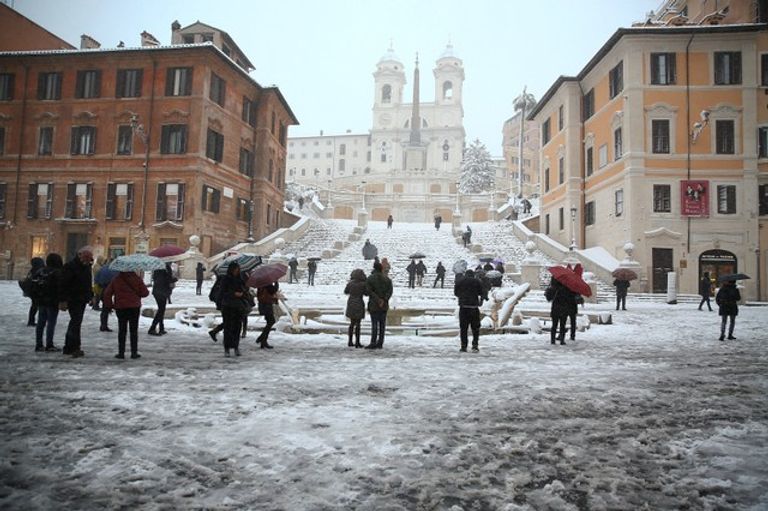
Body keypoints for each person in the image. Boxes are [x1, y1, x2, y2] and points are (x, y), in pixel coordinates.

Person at [102, 269, 149, 359]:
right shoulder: (137, 279)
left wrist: (110, 305)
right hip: (134, 308)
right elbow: (145, 293)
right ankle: (134, 353)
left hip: (121, 308)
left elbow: (107, 293)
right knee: (134, 331)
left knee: (122, 330)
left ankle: (121, 352)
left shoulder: (116, 279)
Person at [59, 247, 94, 357]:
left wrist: (91, 296)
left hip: (82, 299)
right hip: (73, 299)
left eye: (89, 259)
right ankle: (72, 347)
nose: (88, 261)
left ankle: (71, 346)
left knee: (76, 322)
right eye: (86, 258)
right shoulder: (70, 267)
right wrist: (63, 300)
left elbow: (88, 283)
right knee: (75, 322)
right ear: (80, 256)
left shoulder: (86, 267)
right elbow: (62, 285)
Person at [33, 253, 64, 352]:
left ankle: (39, 344)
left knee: (41, 323)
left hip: (41, 300)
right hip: (52, 301)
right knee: (51, 323)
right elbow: (60, 288)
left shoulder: (40, 271)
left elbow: (34, 285)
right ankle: (49, 344)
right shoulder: (57, 272)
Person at [220, 262, 250, 357]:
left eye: (238, 269)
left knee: (237, 328)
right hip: (228, 306)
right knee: (228, 328)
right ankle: (227, 348)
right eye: (236, 269)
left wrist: (244, 292)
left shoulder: (240, 279)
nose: (237, 271)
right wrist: (233, 294)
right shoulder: (225, 279)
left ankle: (236, 346)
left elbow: (245, 291)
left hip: (238, 307)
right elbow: (222, 292)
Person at [454, 269, 486, 352]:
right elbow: (481, 292)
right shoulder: (477, 281)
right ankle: (475, 345)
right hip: (473, 307)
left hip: (463, 307)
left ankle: (463, 346)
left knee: (463, 328)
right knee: (475, 328)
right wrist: (480, 300)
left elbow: (456, 293)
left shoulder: (460, 281)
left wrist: (463, 296)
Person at [365, 261, 392, 349]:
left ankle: (373, 342)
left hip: (374, 304)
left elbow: (369, 291)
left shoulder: (370, 278)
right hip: (384, 305)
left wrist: (377, 299)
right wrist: (384, 300)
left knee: (374, 324)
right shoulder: (387, 279)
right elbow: (390, 291)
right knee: (382, 325)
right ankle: (380, 342)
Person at [148, 263, 176, 336]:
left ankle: (161, 328)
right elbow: (167, 280)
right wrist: (174, 279)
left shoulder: (157, 267)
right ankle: (152, 328)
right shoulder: (166, 268)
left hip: (157, 291)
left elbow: (155, 278)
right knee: (161, 310)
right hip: (162, 291)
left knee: (161, 309)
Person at [344, 269, 368, 348]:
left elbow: (346, 291)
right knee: (358, 323)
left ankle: (350, 341)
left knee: (352, 323)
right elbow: (366, 293)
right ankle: (357, 342)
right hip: (359, 302)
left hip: (351, 302)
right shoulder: (363, 284)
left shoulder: (350, 283)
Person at [545, 278, 570, 345]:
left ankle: (552, 340)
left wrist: (548, 291)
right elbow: (569, 299)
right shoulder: (566, 289)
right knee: (562, 325)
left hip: (555, 309)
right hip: (563, 309)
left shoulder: (553, 289)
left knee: (554, 325)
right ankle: (562, 340)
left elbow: (548, 298)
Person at [256, 281, 279, 349]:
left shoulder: (260, 283)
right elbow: (274, 290)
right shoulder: (267, 283)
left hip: (262, 305)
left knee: (270, 322)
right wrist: (276, 283)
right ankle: (262, 339)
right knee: (271, 321)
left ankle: (263, 340)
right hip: (267, 305)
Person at [24, 257, 45, 326]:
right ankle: (35, 321)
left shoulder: (32, 270)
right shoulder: (39, 270)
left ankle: (31, 320)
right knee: (38, 307)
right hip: (38, 292)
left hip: (33, 292)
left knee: (34, 307)